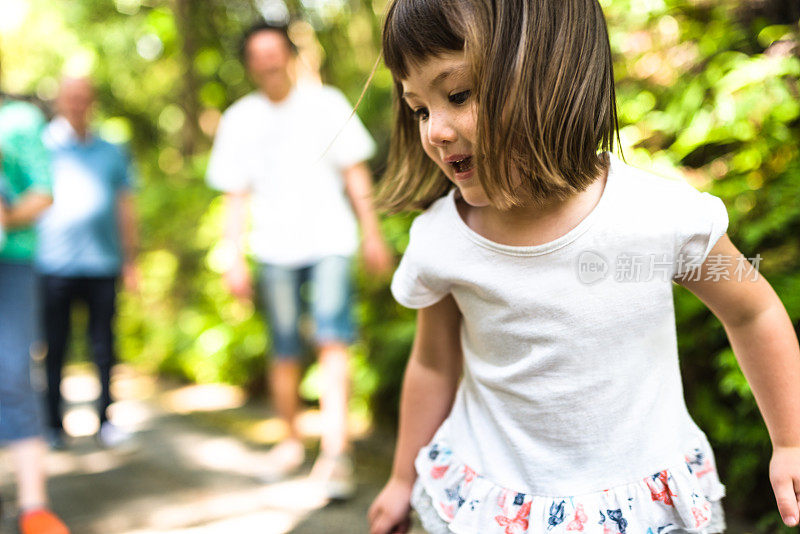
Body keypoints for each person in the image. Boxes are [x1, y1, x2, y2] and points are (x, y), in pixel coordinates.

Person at [367, 1, 800, 533]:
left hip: (640, 505)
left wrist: (791, 441)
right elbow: (433, 364)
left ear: (550, 73)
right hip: (493, 501)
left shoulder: (656, 218)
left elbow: (751, 312)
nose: (434, 131)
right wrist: (399, 480)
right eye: (420, 109)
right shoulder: (442, 239)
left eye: (457, 94)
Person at [206, 22, 392, 497]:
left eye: (275, 52)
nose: (268, 62)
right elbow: (235, 196)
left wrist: (372, 233)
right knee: (284, 347)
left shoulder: (327, 104)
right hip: (272, 248)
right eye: (258, 55)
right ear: (249, 64)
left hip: (331, 239)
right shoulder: (238, 119)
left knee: (334, 341)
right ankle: (289, 442)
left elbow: (355, 175)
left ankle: (336, 455)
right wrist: (233, 257)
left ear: (289, 55)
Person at [36, 76, 139, 450]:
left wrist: (131, 259)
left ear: (92, 101)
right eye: (71, 97)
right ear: (61, 101)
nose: (78, 104)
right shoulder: (42, 145)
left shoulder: (112, 150)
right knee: (55, 346)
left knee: (104, 346)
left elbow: (126, 205)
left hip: (103, 263)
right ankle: (51, 424)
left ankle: (106, 420)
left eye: (84, 97)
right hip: (52, 263)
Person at [0, 86, 70, 532]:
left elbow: (43, 191)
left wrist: (5, 218)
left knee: (13, 374)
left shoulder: (19, 120)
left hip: (12, 264)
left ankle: (33, 507)